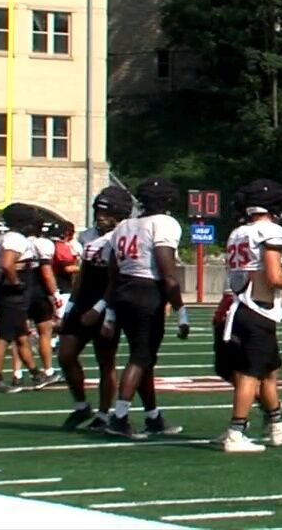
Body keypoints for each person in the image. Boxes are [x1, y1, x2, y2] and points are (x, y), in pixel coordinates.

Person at [215, 179, 282, 453]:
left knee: (268, 370)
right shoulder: (270, 231)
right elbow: (274, 277)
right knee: (250, 374)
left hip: (236, 306)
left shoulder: (237, 233)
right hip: (256, 309)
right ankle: (236, 432)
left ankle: (275, 424)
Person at [94, 177, 189, 439]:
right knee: (140, 357)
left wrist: (110, 312)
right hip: (147, 292)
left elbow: (113, 273)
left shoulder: (124, 225)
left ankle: (153, 416)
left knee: (144, 358)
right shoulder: (164, 223)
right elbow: (168, 273)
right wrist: (181, 310)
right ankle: (120, 417)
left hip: (123, 290)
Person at [58, 187, 134, 431]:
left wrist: (102, 308)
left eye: (106, 211)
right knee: (66, 354)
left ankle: (103, 413)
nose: (100, 216)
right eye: (98, 211)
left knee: (106, 361)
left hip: (108, 301)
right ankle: (81, 406)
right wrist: (70, 305)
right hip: (84, 299)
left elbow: (116, 277)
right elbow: (83, 273)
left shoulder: (122, 235)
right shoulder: (88, 235)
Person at [0, 203, 44, 393]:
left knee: (22, 335)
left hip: (6, 292)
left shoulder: (4, 238)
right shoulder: (15, 239)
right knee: (3, 337)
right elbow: (6, 264)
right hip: (10, 294)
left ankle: (37, 374)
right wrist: (15, 282)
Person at [24, 217, 63, 388]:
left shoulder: (16, 242)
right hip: (38, 290)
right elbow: (46, 271)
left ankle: (17, 373)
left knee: (22, 335)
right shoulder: (42, 244)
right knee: (45, 333)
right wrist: (54, 294)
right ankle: (48, 371)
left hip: (20, 290)